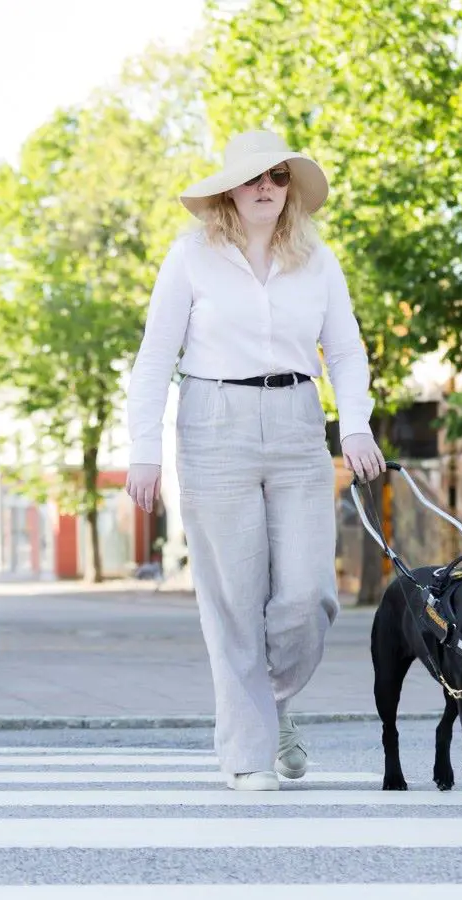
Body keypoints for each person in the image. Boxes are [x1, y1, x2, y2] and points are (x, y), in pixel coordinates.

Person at [123, 130, 386, 791]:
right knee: (235, 597)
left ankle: (269, 705)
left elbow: (347, 352)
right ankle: (248, 753)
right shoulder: (191, 256)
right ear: (229, 191)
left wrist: (355, 425)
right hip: (214, 424)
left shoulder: (317, 261)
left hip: (298, 422)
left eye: (276, 176)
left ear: (288, 187)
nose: (265, 187)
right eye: (252, 178)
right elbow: (156, 356)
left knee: (308, 595)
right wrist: (144, 450)